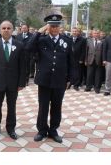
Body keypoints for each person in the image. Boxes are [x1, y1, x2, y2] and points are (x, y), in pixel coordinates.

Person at [27, 10, 74, 143]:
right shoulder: (41, 40)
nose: (54, 28)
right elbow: (28, 48)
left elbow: (71, 61)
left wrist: (70, 78)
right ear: (47, 27)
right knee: (43, 106)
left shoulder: (67, 41)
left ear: (60, 27)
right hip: (44, 80)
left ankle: (53, 130)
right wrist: (38, 32)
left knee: (57, 106)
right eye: (51, 26)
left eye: (56, 26)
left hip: (60, 80)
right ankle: (42, 130)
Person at [0, 20, 25, 140]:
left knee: (12, 107)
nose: (6, 30)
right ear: (0, 30)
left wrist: (21, 82)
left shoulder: (19, 45)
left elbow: (22, 66)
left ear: (12, 30)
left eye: (9, 28)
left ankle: (11, 128)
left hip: (13, 83)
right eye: (4, 28)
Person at [85, 29, 103, 93]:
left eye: (97, 33)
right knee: (89, 74)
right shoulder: (88, 41)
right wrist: (86, 60)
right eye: (94, 33)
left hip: (99, 60)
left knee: (98, 75)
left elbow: (103, 52)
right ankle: (88, 87)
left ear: (99, 34)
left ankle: (97, 88)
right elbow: (86, 51)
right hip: (90, 60)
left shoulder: (102, 41)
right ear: (92, 34)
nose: (96, 34)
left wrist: (103, 61)